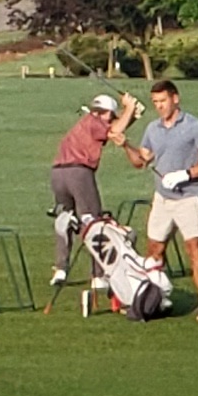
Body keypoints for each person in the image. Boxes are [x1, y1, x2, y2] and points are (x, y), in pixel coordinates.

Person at [126, 80, 198, 319]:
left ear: (175, 99)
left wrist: (186, 174)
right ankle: (158, 298)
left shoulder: (193, 126)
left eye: (163, 101)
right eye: (155, 102)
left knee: (194, 249)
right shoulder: (153, 129)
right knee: (154, 250)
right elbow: (141, 161)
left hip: (189, 197)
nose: (159, 106)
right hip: (162, 199)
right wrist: (125, 145)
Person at [48, 93, 140, 285]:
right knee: (94, 223)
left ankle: (61, 269)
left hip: (58, 175)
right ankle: (98, 275)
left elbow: (112, 131)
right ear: (103, 112)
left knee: (66, 220)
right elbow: (114, 133)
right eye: (111, 116)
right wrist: (129, 109)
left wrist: (130, 116)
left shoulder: (87, 122)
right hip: (78, 174)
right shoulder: (93, 121)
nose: (112, 120)